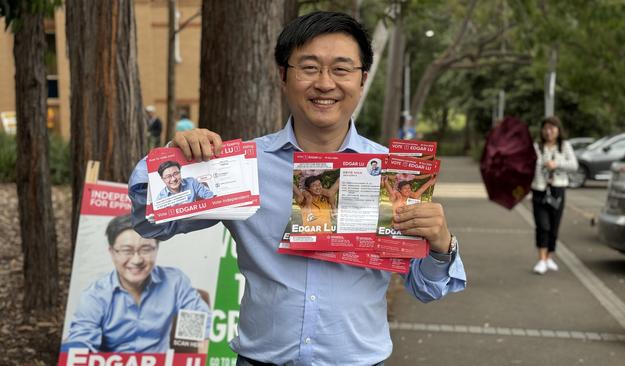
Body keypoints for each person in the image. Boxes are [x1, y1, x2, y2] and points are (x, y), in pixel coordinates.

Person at [129, 11, 466, 365]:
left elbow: (426, 287)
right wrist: (174, 159)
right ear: (282, 75)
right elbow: (151, 221)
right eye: (309, 67)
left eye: (341, 69)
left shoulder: (393, 175)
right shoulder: (244, 167)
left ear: (362, 79)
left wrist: (442, 245)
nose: (324, 83)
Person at [62, 215, 210, 353]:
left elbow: (200, 329)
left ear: (156, 249)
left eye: (146, 249)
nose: (137, 260)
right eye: (127, 250)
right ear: (112, 252)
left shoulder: (175, 282)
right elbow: (80, 343)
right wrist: (77, 348)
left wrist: (196, 346)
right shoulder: (95, 295)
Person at [531, 116, 578, 275]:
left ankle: (549, 256)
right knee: (542, 225)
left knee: (554, 227)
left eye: (552, 128)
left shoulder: (564, 146)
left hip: (558, 190)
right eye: (546, 128)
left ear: (558, 130)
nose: (548, 131)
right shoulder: (537, 147)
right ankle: (541, 259)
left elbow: (574, 165)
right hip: (539, 189)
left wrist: (556, 164)